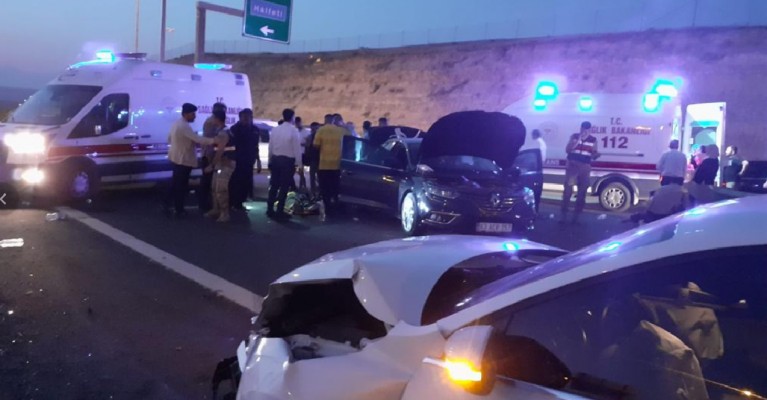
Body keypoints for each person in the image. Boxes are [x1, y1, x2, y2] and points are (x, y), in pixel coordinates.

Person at [164, 103, 215, 217]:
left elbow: (169, 139)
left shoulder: (177, 124)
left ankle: (167, 204)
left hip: (176, 158)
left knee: (175, 183)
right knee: (181, 186)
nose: (194, 116)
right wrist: (214, 140)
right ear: (186, 114)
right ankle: (179, 210)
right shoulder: (184, 126)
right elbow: (198, 139)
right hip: (183, 159)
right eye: (193, 114)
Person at [267, 108, 302, 220]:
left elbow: (270, 146)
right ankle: (280, 210)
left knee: (274, 185)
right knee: (284, 187)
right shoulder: (293, 130)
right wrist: (299, 164)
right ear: (292, 117)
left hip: (275, 159)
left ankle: (269, 209)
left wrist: (269, 160)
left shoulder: (275, 129)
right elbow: (297, 149)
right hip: (287, 162)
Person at [561, 121, 599, 224]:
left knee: (582, 191)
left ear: (590, 130)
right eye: (583, 129)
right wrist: (577, 140)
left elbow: (593, 153)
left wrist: (596, 155)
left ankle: (577, 216)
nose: (585, 131)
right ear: (580, 129)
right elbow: (568, 150)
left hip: (585, 167)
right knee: (568, 190)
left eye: (587, 130)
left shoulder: (593, 140)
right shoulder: (574, 136)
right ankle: (563, 214)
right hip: (572, 166)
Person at [314, 114, 352, 216]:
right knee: (335, 188)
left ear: (325, 120)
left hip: (324, 164)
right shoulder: (342, 131)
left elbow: (316, 146)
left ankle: (328, 209)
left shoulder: (321, 130)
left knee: (325, 189)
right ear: (334, 121)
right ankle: (335, 207)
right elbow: (351, 140)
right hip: (337, 165)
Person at [204, 112, 236, 222]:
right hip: (221, 163)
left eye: (212, 118)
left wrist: (211, 165)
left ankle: (224, 213)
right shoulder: (220, 131)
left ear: (217, 119)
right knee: (214, 187)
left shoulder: (223, 133)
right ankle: (216, 209)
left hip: (225, 164)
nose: (210, 120)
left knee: (221, 189)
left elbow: (220, 151)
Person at [229, 109, 261, 210]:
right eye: (245, 118)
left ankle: (241, 202)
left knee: (246, 182)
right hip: (237, 161)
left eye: (249, 117)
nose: (247, 120)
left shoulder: (255, 129)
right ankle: (234, 203)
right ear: (240, 118)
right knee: (236, 182)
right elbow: (231, 146)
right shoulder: (234, 129)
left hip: (249, 160)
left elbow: (256, 146)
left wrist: (258, 160)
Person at [199, 102, 227, 212]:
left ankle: (208, 205)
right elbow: (213, 141)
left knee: (209, 181)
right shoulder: (211, 123)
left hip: (209, 154)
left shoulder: (211, 121)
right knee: (208, 182)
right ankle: (206, 205)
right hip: (209, 155)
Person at [306, 122, 322, 196]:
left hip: (319, 159)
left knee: (318, 176)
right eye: (314, 129)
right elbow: (307, 148)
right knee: (313, 176)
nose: (315, 130)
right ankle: (314, 191)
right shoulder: (310, 137)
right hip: (314, 159)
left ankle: (317, 191)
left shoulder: (319, 137)